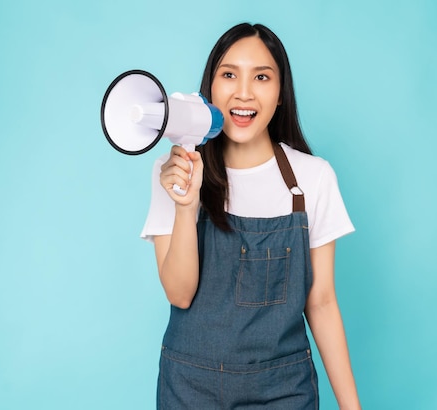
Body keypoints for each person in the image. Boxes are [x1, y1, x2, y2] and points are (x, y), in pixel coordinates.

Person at [141, 22, 361, 409]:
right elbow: (179, 292)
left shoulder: (313, 178)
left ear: (280, 95)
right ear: (210, 88)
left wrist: (352, 407)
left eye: (261, 77)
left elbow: (321, 301)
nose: (243, 92)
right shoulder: (173, 170)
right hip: (189, 387)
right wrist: (185, 206)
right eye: (229, 75)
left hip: (283, 389)